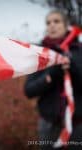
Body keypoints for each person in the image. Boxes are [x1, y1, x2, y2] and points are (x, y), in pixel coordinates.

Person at [24, 10, 82, 150]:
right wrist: (51, 76)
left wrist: (73, 69)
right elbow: (29, 90)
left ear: (66, 25)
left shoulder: (79, 51)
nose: (52, 25)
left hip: (78, 125)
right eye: (48, 23)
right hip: (49, 125)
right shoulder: (40, 53)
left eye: (56, 21)